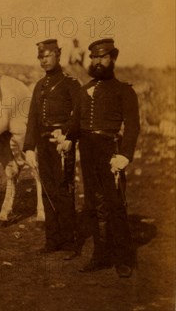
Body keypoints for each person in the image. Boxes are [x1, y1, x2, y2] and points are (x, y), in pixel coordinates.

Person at [76, 38, 140, 278]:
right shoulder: (85, 89)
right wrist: (67, 137)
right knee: (93, 204)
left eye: (102, 57)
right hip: (87, 150)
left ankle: (124, 258)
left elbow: (133, 126)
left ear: (113, 58)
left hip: (109, 150)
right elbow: (76, 123)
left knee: (116, 204)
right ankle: (100, 255)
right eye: (93, 57)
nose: (97, 62)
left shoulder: (124, 91)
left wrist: (125, 154)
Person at [23, 39, 80, 259]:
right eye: (40, 57)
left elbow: (78, 115)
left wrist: (66, 134)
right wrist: (29, 148)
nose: (44, 61)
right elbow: (33, 120)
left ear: (58, 55)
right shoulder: (40, 86)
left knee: (63, 191)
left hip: (62, 146)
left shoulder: (70, 84)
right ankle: (52, 240)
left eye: (48, 56)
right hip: (43, 146)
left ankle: (69, 241)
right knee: (46, 191)